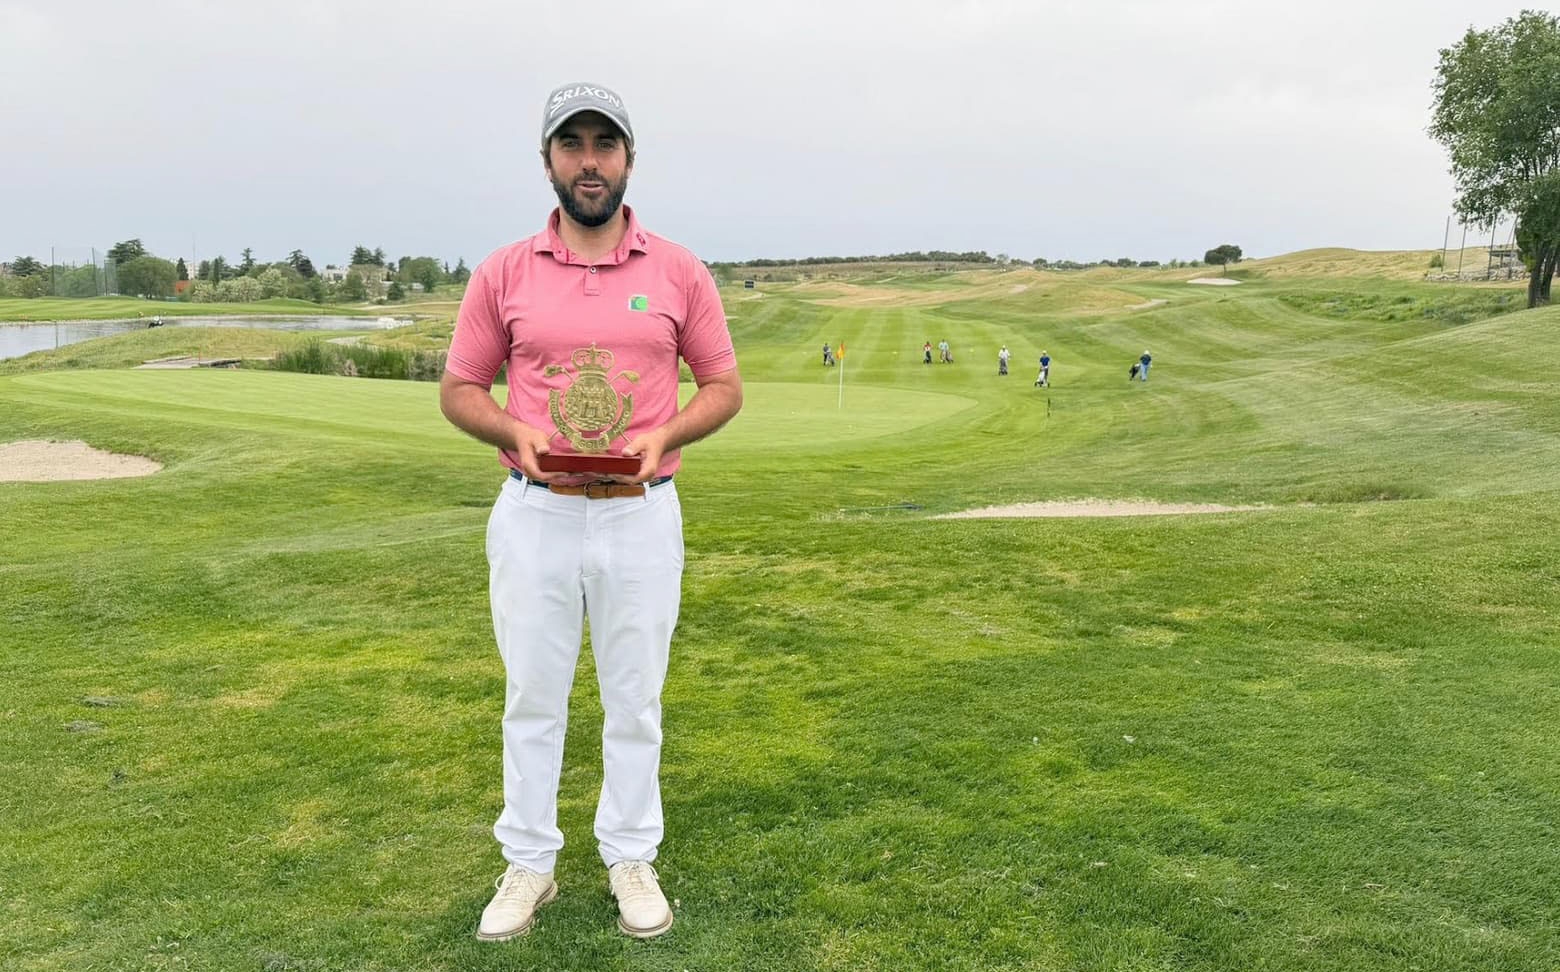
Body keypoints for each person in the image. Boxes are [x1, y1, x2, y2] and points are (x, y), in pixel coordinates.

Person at [439, 81, 742, 943]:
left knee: (634, 700)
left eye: (604, 144)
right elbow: (461, 389)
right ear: (548, 162)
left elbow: (723, 386)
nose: (589, 162)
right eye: (571, 144)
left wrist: (667, 434)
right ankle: (529, 863)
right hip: (537, 510)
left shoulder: (678, 269)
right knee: (533, 697)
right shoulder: (504, 271)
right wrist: (513, 431)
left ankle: (630, 856)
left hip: (640, 511)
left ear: (629, 159)